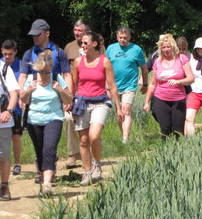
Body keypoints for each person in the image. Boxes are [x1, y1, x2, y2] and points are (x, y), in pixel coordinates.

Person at [71, 32, 123, 186]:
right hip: (82, 102)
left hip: (100, 102)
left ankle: (97, 164)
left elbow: (112, 85)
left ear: (94, 44)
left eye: (86, 43)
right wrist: (69, 101)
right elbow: (74, 84)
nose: (83, 46)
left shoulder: (104, 61)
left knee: (94, 136)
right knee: (83, 140)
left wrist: (118, 108)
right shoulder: (77, 62)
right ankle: (87, 172)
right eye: (81, 43)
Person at [20, 51, 73, 196]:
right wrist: (28, 90)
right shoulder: (31, 80)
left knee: (49, 149)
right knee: (40, 151)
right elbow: (23, 100)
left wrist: (60, 90)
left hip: (53, 118)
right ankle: (44, 178)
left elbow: (69, 99)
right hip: (34, 120)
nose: (44, 75)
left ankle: (47, 185)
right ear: (37, 70)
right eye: (42, 72)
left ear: (51, 69)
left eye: (47, 72)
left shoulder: (57, 79)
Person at [143, 34, 193, 140]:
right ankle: (165, 152)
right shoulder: (157, 61)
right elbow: (152, 83)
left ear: (173, 47)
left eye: (168, 46)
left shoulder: (182, 59)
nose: (166, 49)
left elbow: (191, 79)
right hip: (161, 98)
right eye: (164, 47)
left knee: (177, 131)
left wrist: (179, 81)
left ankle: (178, 152)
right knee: (165, 129)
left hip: (178, 99)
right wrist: (147, 102)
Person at [106, 26, 148, 143]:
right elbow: (105, 68)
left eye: (125, 38)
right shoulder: (111, 49)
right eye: (120, 38)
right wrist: (107, 86)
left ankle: (125, 139)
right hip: (114, 85)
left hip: (129, 86)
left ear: (129, 37)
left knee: (126, 110)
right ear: (117, 37)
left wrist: (145, 85)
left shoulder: (136, 50)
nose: (122, 40)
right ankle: (123, 134)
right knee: (119, 112)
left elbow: (144, 69)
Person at [63, 20, 90, 168]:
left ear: (86, 32)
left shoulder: (96, 44)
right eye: (75, 30)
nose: (76, 33)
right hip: (73, 90)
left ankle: (88, 151)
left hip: (91, 90)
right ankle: (73, 154)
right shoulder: (69, 47)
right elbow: (65, 71)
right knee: (68, 119)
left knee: (89, 122)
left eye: (80, 30)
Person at [0, 54, 20, 201]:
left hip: (3, 122)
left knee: (3, 155)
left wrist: (9, 111)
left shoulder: (3, 67)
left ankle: (4, 186)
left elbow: (13, 94)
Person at [0, 40, 23, 175]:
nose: (7, 57)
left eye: (10, 54)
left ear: (15, 52)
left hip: (16, 109)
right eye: (5, 54)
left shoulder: (20, 66)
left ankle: (17, 163)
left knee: (15, 136)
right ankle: (2, 163)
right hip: (0, 107)